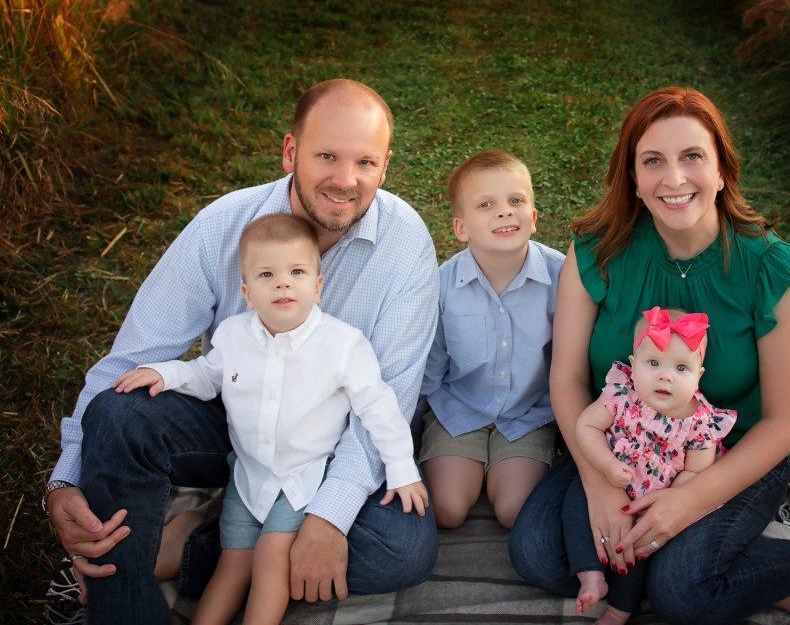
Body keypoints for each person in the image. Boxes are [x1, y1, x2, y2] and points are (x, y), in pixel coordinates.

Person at [508, 86, 790, 625]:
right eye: (653, 161)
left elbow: (784, 422)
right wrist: (597, 483)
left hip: (728, 455)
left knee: (684, 592)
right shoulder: (597, 252)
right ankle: (749, 575)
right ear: (633, 178)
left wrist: (686, 503)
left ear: (723, 169)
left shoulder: (774, 270)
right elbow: (565, 379)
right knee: (538, 555)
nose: (674, 179)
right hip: (617, 442)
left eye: (692, 157)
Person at [44, 79, 440, 624]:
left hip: (333, 440)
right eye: (327, 156)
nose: (346, 181)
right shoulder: (224, 224)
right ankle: (124, 609)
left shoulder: (405, 245)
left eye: (366, 163)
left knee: (403, 548)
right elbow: (130, 359)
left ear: (386, 166)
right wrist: (66, 477)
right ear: (290, 151)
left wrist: (327, 517)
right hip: (236, 424)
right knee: (119, 409)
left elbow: (389, 399)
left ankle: (190, 546)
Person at [111, 214, 430, 624]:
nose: (283, 283)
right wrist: (166, 373)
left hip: (301, 478)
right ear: (247, 292)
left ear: (317, 287)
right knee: (233, 563)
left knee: (270, 558)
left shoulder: (343, 345)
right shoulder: (233, 335)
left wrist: (402, 469)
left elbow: (379, 409)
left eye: (296, 272)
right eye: (267, 274)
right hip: (248, 476)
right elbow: (207, 377)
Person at [418, 150, 564, 529]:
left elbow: (571, 356)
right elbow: (432, 360)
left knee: (514, 509)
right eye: (486, 205)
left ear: (533, 218)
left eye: (516, 201)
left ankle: (506, 466)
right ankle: (463, 463)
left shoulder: (561, 277)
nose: (504, 212)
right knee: (448, 509)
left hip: (527, 413)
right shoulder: (442, 284)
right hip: (460, 408)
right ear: (461, 228)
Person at [568, 306, 735, 623]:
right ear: (633, 366)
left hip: (654, 500)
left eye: (682, 368)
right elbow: (586, 426)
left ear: (699, 375)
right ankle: (590, 574)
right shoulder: (622, 394)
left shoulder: (701, 423)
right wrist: (605, 465)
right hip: (609, 478)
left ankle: (620, 609)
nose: (666, 375)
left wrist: (670, 501)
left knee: (640, 544)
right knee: (576, 502)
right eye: (653, 363)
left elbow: (696, 472)